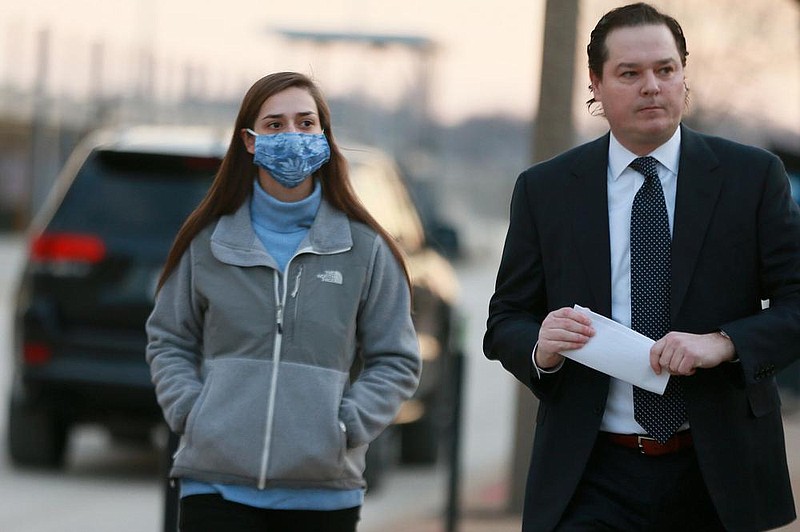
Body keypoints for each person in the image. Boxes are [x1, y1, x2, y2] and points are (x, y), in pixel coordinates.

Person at [483, 3, 800, 531]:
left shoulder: (753, 178)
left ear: (683, 74)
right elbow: (505, 319)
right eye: (630, 73)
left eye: (665, 69)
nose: (651, 86)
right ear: (596, 84)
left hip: (718, 470)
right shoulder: (546, 189)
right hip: (589, 472)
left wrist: (723, 342)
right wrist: (543, 346)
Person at [146, 71, 421, 532]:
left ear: (324, 137)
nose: (292, 136)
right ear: (250, 142)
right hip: (214, 488)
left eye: (305, 123)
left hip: (322, 496)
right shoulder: (208, 241)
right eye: (274, 125)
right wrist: (193, 414)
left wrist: (345, 428)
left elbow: (396, 359)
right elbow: (169, 339)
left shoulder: (366, 248)